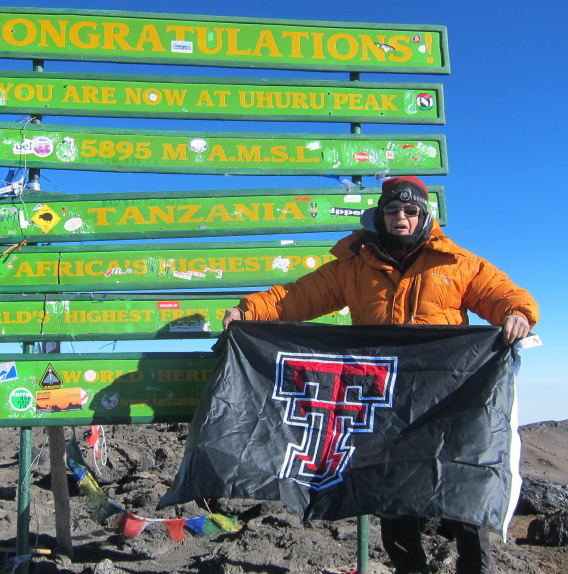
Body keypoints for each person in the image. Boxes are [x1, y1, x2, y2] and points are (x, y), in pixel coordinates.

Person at [222, 176, 539, 574]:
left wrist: (518, 314)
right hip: (383, 404)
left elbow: (501, 293)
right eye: (392, 210)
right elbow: (297, 296)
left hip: (449, 402)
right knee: (393, 497)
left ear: (426, 216)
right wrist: (250, 312)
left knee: (465, 496)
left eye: (410, 211)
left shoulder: (457, 264)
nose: (401, 218)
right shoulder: (355, 267)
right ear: (380, 215)